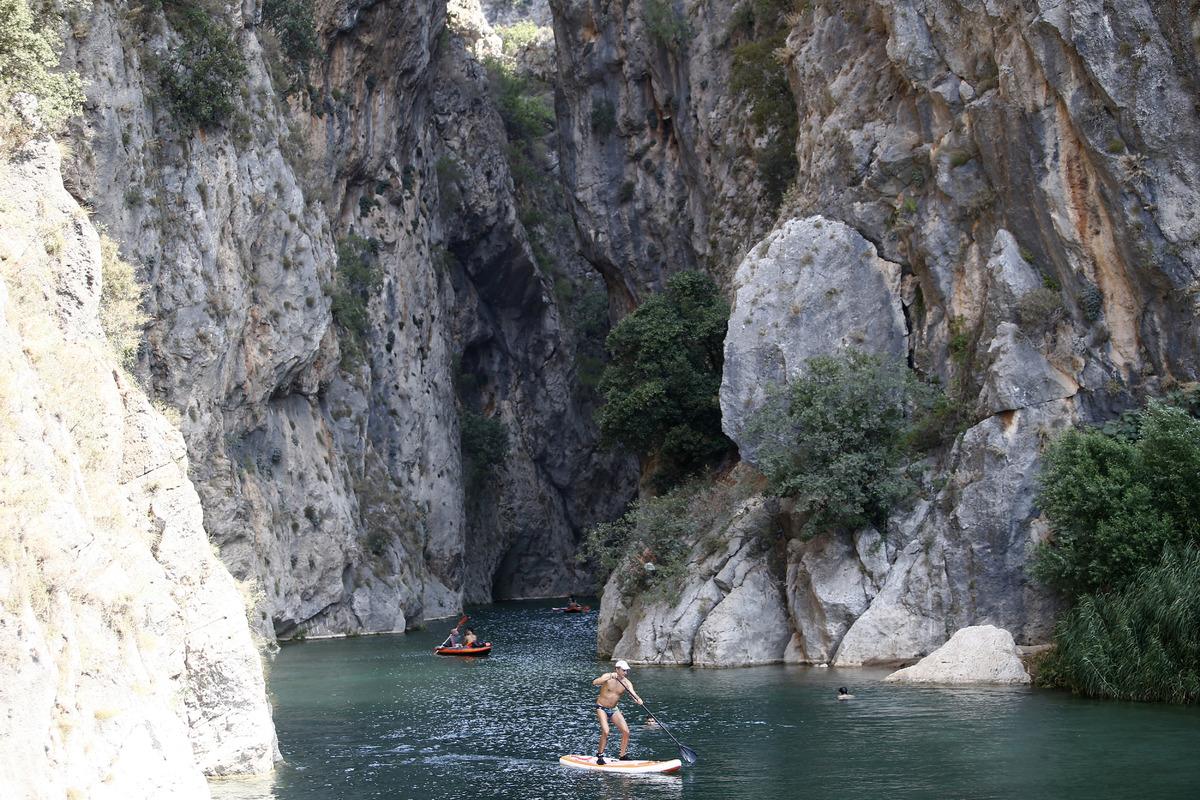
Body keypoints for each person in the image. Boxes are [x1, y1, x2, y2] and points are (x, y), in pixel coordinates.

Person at [591, 659, 643, 764]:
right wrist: (609, 677)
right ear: (617, 669)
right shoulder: (608, 676)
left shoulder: (626, 683)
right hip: (601, 708)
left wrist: (638, 699)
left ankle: (622, 755)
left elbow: (632, 694)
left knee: (626, 731)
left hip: (614, 709)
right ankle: (600, 755)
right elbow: (595, 682)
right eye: (623, 670)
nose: (625, 673)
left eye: (626, 670)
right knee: (606, 731)